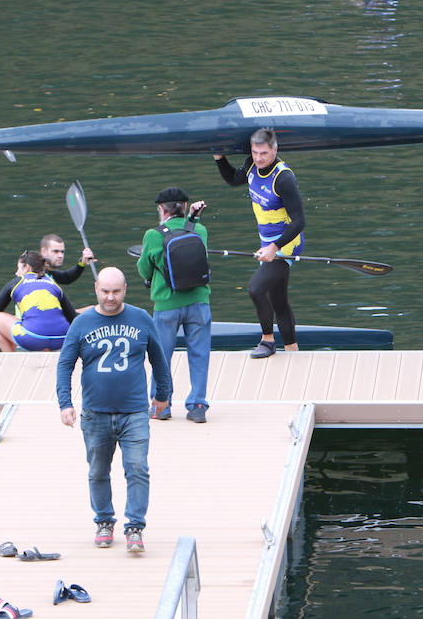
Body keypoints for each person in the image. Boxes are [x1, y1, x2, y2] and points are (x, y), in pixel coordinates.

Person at [57, 267, 172, 555]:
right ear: (96, 288)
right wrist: (65, 403)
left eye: (116, 291)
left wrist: (163, 394)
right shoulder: (82, 323)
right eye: (105, 291)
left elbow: (158, 358)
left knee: (137, 468)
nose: (111, 297)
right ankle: (104, 521)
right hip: (95, 412)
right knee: (97, 471)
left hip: (134, 411)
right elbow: (65, 364)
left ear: (125, 289)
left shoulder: (140, 318)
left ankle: (135, 527)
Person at [214, 128, 306, 358]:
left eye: (264, 153)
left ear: (275, 150)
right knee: (278, 299)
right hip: (266, 241)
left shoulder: (284, 178)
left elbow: (300, 222)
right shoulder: (252, 166)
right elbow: (234, 179)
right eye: (254, 152)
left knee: (256, 289)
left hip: (287, 242)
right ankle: (292, 349)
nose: (258, 158)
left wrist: (275, 248)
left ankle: (267, 341)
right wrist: (219, 157)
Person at [136, 187, 212, 422]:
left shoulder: (153, 235)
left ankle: (162, 406)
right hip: (199, 302)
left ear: (162, 209)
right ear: (185, 207)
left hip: (166, 305)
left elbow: (144, 269)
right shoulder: (200, 230)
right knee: (199, 354)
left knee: (161, 356)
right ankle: (197, 405)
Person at [0, 249, 79, 351]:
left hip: (34, 338)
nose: (16, 273)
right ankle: (46, 353)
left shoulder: (17, 281)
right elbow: (73, 317)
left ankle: (11, 361)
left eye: (18, 268)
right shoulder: (53, 283)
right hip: (62, 339)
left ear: (27, 267)